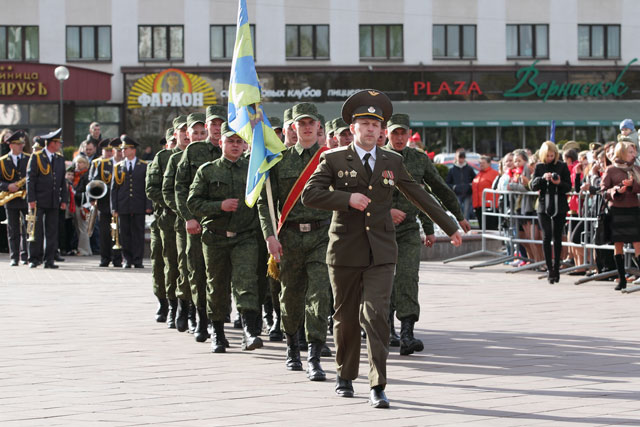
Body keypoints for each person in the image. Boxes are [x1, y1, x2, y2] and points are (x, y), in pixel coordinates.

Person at [301, 89, 462, 409]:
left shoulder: (393, 160)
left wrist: (450, 226)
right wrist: (346, 199)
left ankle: (378, 384)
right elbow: (310, 195)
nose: (372, 129)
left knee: (376, 317)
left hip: (381, 250)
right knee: (346, 317)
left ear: (382, 130)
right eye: (365, 124)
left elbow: (420, 194)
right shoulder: (332, 159)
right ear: (354, 128)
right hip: (345, 249)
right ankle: (345, 376)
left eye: (377, 125)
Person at [257, 102, 332, 381]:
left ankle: (314, 353)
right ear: (293, 128)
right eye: (302, 123)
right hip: (288, 236)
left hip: (322, 235)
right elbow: (265, 203)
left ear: (318, 127)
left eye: (312, 123)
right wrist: (269, 236)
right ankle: (292, 349)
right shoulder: (279, 160)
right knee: (290, 295)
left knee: (320, 294)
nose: (307, 127)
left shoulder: (329, 158)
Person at [384, 113, 469, 355]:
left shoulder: (419, 160)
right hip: (381, 229)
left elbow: (439, 189)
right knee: (385, 278)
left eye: (403, 133)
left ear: (409, 134)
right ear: (387, 133)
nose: (399, 138)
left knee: (408, 276)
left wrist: (458, 216)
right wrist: (386, 211)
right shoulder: (377, 158)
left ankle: (407, 333)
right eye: (394, 133)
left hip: (409, 228)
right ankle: (388, 328)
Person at [188, 122, 263, 353]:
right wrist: (219, 205)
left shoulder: (252, 169)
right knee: (217, 285)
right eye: (231, 141)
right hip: (216, 238)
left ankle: (250, 332)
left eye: (239, 142)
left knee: (246, 282)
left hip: (245, 236)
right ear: (221, 143)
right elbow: (193, 203)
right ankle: (218, 333)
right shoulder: (208, 171)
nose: (235, 145)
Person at [174, 111, 223, 343]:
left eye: (221, 124)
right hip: (198, 225)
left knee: (222, 277)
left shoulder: (237, 148)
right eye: (213, 124)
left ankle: (221, 324)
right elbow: (179, 188)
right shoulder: (194, 151)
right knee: (197, 273)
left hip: (227, 225)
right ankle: (201, 320)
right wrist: (188, 217)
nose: (216, 128)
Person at [163, 116, 195, 332]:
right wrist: (182, 211)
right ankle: (177, 306)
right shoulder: (170, 159)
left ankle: (197, 312)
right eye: (182, 130)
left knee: (199, 269)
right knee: (179, 265)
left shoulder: (208, 156)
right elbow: (162, 190)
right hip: (178, 221)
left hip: (206, 221)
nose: (186, 134)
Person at [145, 129, 177, 328]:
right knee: (160, 261)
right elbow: (152, 189)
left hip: (186, 220)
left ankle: (179, 305)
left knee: (181, 265)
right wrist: (175, 202)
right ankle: (163, 301)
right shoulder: (160, 159)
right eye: (172, 141)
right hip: (163, 219)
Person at [26, 128, 68, 269]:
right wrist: (31, 199)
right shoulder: (37, 157)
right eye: (58, 142)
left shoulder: (59, 159)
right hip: (38, 200)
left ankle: (49, 259)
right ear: (52, 143)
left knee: (52, 231)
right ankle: (34, 258)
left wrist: (64, 200)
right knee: (36, 230)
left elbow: (63, 181)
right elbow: (30, 180)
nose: (60, 145)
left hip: (53, 200)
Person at [600, 141, 640, 291]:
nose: (634, 155)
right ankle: (621, 279)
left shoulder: (636, 168)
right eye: (630, 152)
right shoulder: (610, 170)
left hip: (633, 209)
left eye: (634, 152)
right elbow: (603, 191)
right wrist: (616, 190)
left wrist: (632, 185)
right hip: (617, 210)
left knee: (638, 243)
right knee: (618, 245)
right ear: (622, 152)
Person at [530, 141, 571, 284]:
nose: (549, 158)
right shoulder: (539, 167)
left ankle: (556, 267)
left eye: (552, 155)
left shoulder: (562, 166)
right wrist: (542, 179)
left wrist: (558, 182)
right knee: (546, 236)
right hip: (543, 205)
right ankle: (549, 268)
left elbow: (568, 187)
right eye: (547, 156)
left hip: (559, 205)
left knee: (557, 237)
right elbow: (533, 186)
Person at [110, 135, 152, 269]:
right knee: (125, 233)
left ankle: (138, 259)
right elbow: (114, 189)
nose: (122, 151)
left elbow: (147, 187)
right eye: (122, 149)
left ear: (133, 150)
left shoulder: (144, 166)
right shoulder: (118, 167)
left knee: (138, 233)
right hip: (123, 205)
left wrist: (148, 205)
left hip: (138, 204)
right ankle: (127, 259)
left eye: (125, 149)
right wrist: (114, 207)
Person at [88, 138, 122, 267]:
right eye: (116, 150)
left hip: (120, 204)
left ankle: (118, 258)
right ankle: (105, 258)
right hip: (105, 203)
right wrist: (92, 199)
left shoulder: (125, 164)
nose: (118, 153)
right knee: (104, 233)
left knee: (119, 233)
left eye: (120, 150)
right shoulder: (103, 164)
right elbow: (94, 182)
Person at [0, 130, 30, 266]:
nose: (21, 146)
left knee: (27, 228)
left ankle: (25, 255)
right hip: (10, 197)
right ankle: (14, 257)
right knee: (12, 229)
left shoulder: (29, 158)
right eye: (18, 144)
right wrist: (7, 186)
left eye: (22, 144)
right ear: (11, 145)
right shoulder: (2, 161)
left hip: (25, 197)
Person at [445, 148, 475, 221]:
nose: (461, 160)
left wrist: (470, 186)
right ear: (456, 158)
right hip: (457, 193)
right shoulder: (452, 170)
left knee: (466, 211)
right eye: (459, 158)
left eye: (462, 158)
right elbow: (447, 182)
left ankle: (466, 226)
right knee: (458, 210)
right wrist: (454, 187)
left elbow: (474, 179)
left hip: (467, 193)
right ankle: (459, 225)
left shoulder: (469, 169)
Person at [472, 155, 499, 230]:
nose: (481, 165)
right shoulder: (479, 174)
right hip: (479, 206)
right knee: (482, 228)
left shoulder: (494, 174)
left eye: (483, 163)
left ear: (489, 163)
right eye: (480, 163)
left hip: (490, 205)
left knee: (490, 228)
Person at [72, 155, 91, 256]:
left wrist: (75, 193)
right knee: (79, 227)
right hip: (77, 203)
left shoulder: (86, 175)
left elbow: (86, 191)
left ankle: (84, 250)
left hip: (83, 204)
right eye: (76, 162)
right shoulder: (76, 175)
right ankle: (86, 249)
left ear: (85, 164)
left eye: (80, 162)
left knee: (83, 228)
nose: (77, 164)